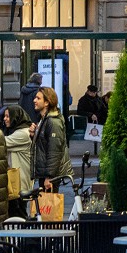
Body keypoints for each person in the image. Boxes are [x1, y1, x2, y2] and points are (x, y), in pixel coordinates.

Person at [31, 86, 75, 218]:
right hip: (45, 172)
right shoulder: (44, 120)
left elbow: (54, 151)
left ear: (47, 102)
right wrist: (34, 135)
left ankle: (50, 236)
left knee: (48, 214)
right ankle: (47, 234)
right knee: (44, 214)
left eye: (38, 98)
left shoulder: (52, 122)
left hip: (49, 175)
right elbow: (44, 145)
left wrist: (49, 177)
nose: (34, 100)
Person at [1, 105, 33, 218]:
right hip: (15, 181)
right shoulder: (16, 131)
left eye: (8, 116)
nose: (5, 119)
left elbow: (3, 142)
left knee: (19, 214)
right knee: (15, 213)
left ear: (16, 117)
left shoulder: (23, 133)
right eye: (4, 116)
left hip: (20, 182)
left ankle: (26, 235)